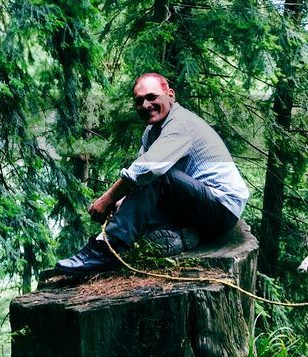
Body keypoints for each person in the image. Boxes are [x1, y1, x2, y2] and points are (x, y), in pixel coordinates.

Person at [54, 73, 250, 276]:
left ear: (170, 95)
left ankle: (104, 253)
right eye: (139, 101)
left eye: (152, 97)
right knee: (137, 217)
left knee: (157, 175)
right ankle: (185, 235)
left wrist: (108, 198)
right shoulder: (152, 131)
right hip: (197, 205)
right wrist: (120, 201)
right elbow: (138, 178)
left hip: (222, 207)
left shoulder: (181, 123)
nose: (146, 105)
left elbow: (148, 169)